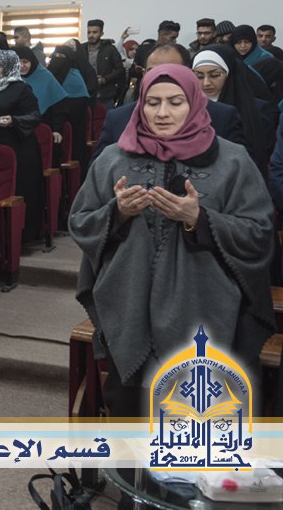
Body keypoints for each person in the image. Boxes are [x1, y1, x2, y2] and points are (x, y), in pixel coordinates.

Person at [70, 64, 274, 417]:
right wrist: (117, 213)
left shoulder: (232, 161)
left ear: (195, 103)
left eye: (175, 102)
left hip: (205, 310)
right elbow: (80, 222)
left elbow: (259, 232)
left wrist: (199, 218)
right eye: (153, 102)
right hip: (129, 304)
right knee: (131, 415)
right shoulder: (113, 159)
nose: (162, 112)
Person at [92, 43, 245, 164]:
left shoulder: (221, 116)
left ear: (189, 73)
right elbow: (97, 177)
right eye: (152, 71)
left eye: (171, 70)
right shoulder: (118, 119)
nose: (160, 77)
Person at [0, 50, 44, 248]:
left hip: (19, 147)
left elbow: (35, 116)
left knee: (20, 189)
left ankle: (21, 236)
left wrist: (14, 120)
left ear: (8, 68)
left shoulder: (21, 89)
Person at [192, 46, 277, 176]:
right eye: (199, 76)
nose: (206, 83)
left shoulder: (258, 110)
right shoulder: (187, 108)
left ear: (229, 74)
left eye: (214, 75)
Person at [47, 44, 92, 170]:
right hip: (55, 124)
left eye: (61, 56)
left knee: (75, 144)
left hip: (74, 118)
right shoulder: (48, 75)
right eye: (55, 56)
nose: (57, 59)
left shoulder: (75, 76)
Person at [82, 20, 124, 103]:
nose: (91, 35)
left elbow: (120, 70)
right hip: (86, 94)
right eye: (89, 32)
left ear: (101, 34)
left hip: (105, 94)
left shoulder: (110, 49)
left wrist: (105, 79)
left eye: (94, 32)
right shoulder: (81, 49)